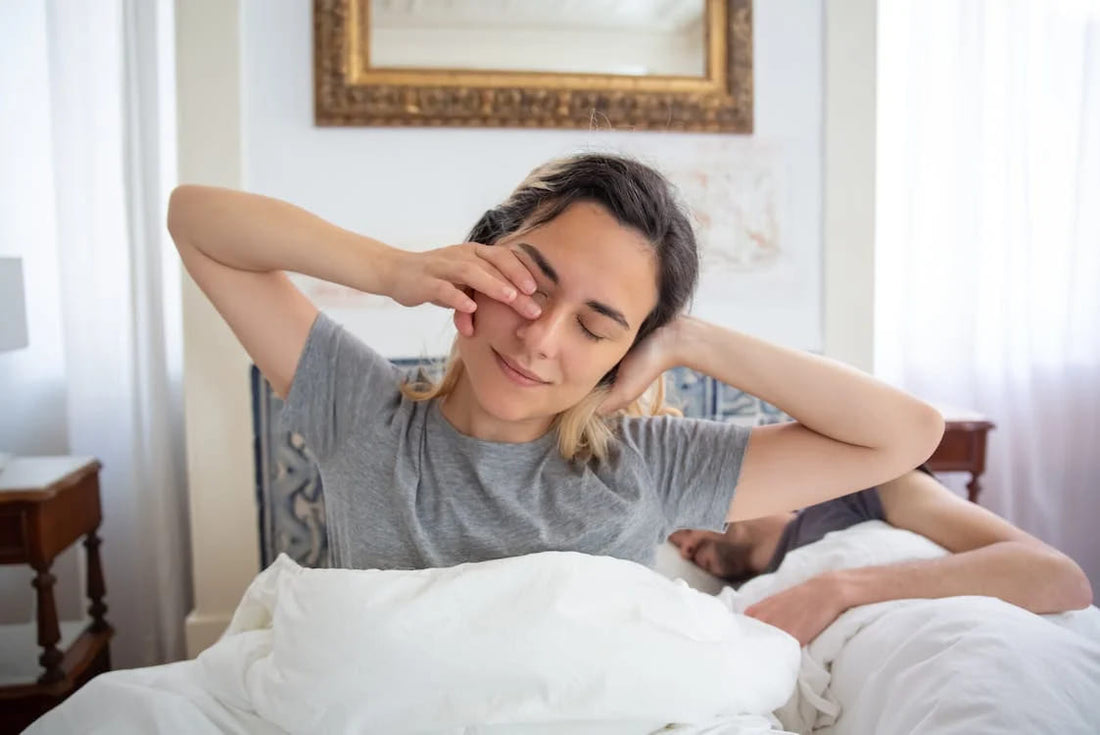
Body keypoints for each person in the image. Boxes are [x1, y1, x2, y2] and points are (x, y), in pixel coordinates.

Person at [167, 152, 944, 572]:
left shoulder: (650, 465)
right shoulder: (364, 415)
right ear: (479, 255)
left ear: (627, 351)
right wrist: (393, 268)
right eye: (531, 286)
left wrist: (690, 340)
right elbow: (195, 218)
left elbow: (906, 434)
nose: (540, 338)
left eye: (596, 326)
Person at [669, 467, 1093, 645]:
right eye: (676, 547)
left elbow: (1060, 578)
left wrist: (839, 589)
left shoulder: (861, 494)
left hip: (991, 644)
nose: (686, 548)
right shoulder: (738, 606)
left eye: (683, 527)